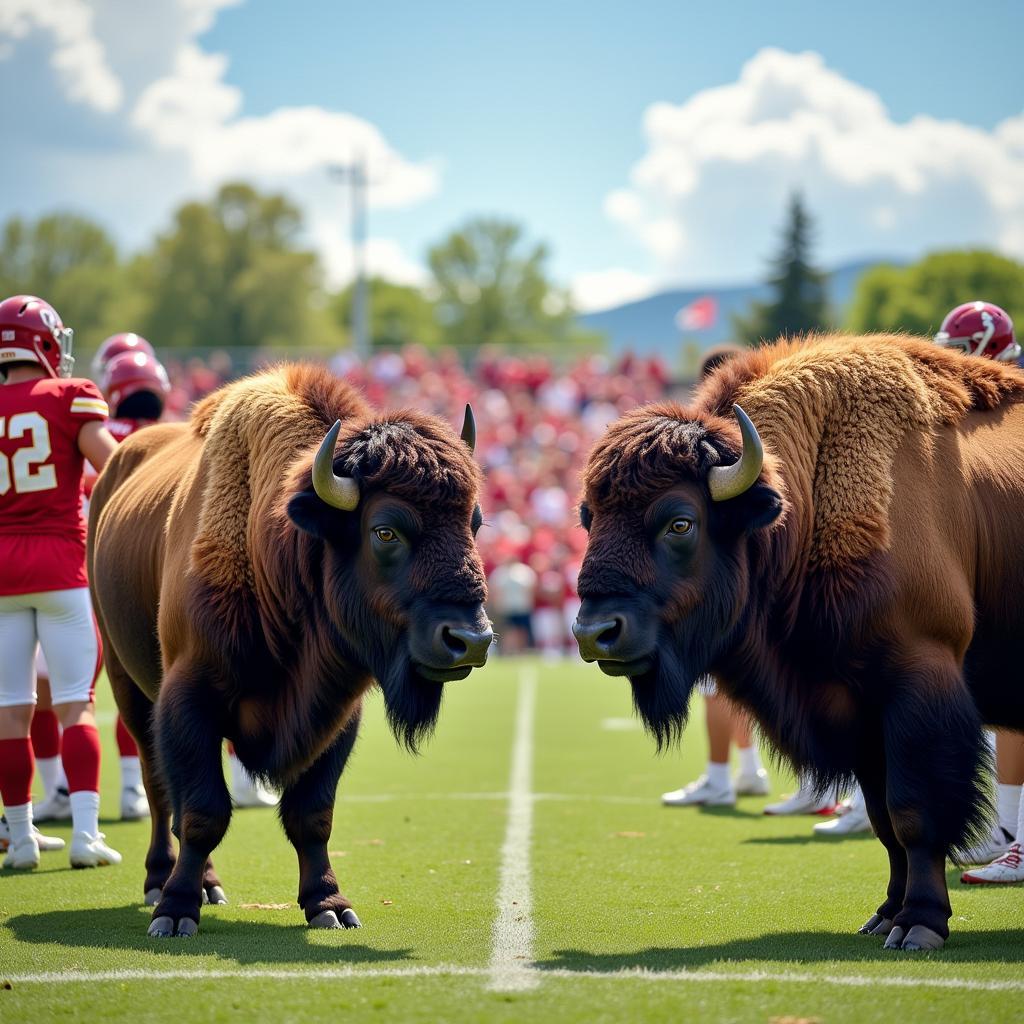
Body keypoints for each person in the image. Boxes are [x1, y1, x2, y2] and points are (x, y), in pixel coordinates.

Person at [0, 295, 121, 870]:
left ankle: (21, 839)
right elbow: (113, 467)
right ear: (44, 342)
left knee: (10, 714)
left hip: (0, 575)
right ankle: (85, 835)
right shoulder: (67, 398)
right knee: (76, 706)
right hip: (60, 566)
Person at [662, 346, 770, 807]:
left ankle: (719, 777)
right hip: (757, 579)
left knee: (715, 685)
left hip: (724, 585)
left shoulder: (710, 435)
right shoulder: (760, 423)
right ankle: (749, 770)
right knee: (734, 684)